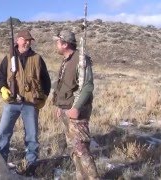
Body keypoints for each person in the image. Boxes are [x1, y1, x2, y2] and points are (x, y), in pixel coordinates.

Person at [0, 29, 51, 176]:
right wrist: (2, 90)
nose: (27, 42)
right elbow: (0, 77)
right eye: (24, 39)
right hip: (11, 102)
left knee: (31, 136)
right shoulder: (8, 58)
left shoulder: (37, 58)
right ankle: (0, 163)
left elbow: (46, 80)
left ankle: (31, 165)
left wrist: (44, 97)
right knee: (3, 133)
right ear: (17, 40)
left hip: (30, 103)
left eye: (29, 40)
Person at [52, 30, 99, 180]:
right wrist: (60, 106)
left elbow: (87, 86)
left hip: (76, 112)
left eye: (58, 42)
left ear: (65, 44)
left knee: (82, 150)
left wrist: (76, 108)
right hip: (66, 111)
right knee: (74, 150)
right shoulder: (66, 60)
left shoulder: (80, 59)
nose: (56, 45)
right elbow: (64, 86)